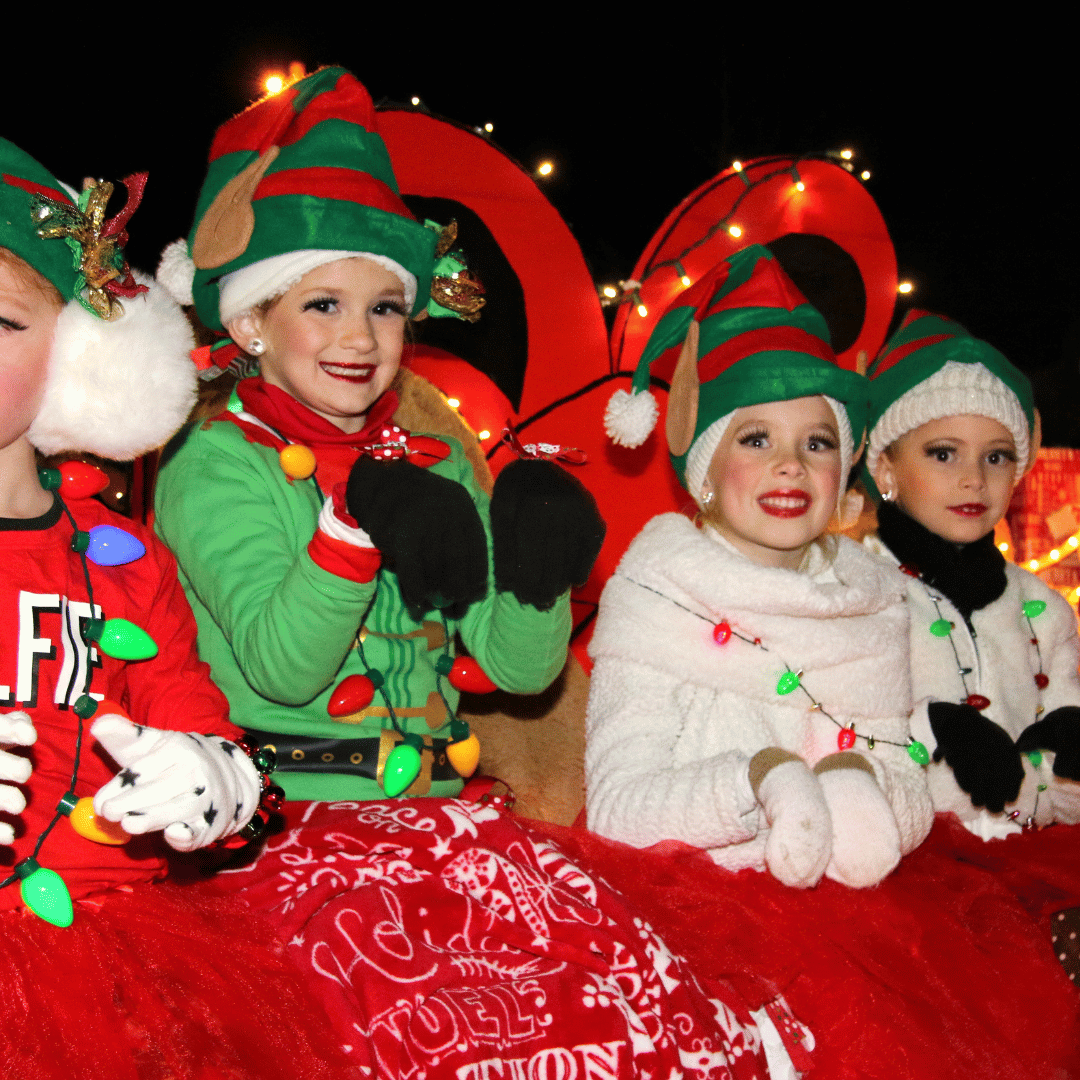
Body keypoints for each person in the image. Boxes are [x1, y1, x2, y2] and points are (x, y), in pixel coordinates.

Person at [0, 138, 355, 1078]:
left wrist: (216, 769)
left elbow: (176, 686)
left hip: (121, 946)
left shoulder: (122, 557)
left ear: (79, 354)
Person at [154, 66, 603, 803]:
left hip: (435, 808)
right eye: (325, 303)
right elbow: (283, 671)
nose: (359, 337)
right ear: (249, 324)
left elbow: (519, 672)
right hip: (277, 814)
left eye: (386, 308)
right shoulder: (213, 459)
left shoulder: (439, 455)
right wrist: (356, 521)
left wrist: (537, 575)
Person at [587, 245, 934, 890]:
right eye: (755, 439)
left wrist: (859, 783)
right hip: (685, 915)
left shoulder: (874, 602)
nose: (791, 466)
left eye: (817, 442)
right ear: (706, 471)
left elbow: (912, 788)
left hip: (848, 925)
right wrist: (760, 777)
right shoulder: (660, 596)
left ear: (842, 473)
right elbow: (615, 812)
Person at [864, 309, 1080, 839]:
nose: (973, 479)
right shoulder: (852, 593)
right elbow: (822, 739)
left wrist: (1064, 771)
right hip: (897, 882)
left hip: (1027, 879)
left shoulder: (1045, 612)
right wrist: (930, 727)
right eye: (943, 454)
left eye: (997, 457)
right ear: (886, 469)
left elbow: (1061, 805)